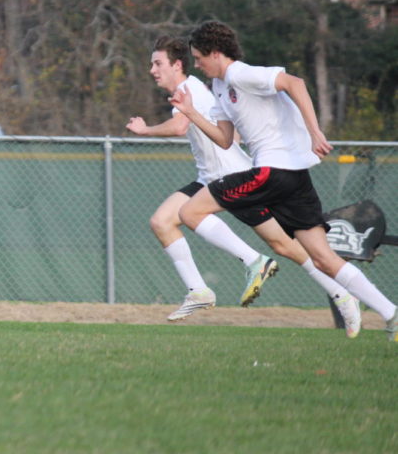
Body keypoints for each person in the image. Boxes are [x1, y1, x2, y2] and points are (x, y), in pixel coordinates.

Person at [170, 20, 397, 342]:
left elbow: (295, 83)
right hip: (293, 180)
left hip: (272, 173)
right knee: (324, 259)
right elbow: (224, 139)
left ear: (216, 53)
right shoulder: (220, 87)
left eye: (198, 57)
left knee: (189, 212)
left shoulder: (239, 73)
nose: (197, 64)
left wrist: (316, 132)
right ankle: (391, 313)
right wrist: (191, 113)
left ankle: (254, 261)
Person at [127, 37, 362, 336]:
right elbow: (228, 133)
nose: (152, 70)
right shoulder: (191, 91)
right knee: (162, 222)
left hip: (234, 176)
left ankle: (340, 294)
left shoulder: (190, 89)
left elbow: (179, 127)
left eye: (157, 63)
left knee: (285, 246)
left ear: (177, 65)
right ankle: (199, 291)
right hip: (209, 178)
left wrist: (145, 129)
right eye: (151, 64)